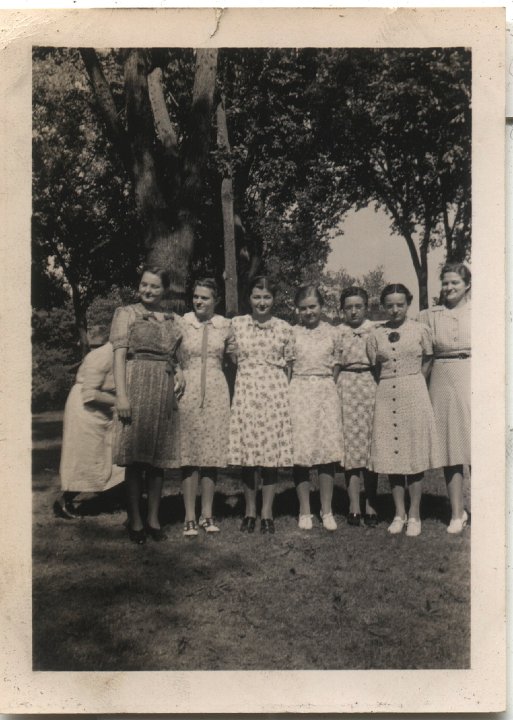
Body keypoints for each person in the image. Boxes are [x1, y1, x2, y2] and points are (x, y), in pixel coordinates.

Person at [110, 266, 184, 544]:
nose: (148, 290)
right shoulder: (125, 314)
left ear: (164, 290)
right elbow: (118, 358)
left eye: (154, 286)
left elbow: (177, 357)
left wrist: (181, 371)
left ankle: (154, 519)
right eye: (144, 284)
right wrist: (122, 396)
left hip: (163, 389)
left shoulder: (172, 319)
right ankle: (136, 521)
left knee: (157, 461)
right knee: (134, 459)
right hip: (135, 383)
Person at [366, 284, 442, 537]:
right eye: (389, 305)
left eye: (400, 304)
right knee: (392, 455)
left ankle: (415, 514)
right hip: (387, 394)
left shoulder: (421, 329)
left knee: (413, 453)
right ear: (383, 307)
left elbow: (428, 359)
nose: (395, 309)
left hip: (413, 391)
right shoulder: (376, 334)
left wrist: (414, 382)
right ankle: (399, 514)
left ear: (408, 304)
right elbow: (375, 366)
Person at [228, 275, 294, 534]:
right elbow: (232, 359)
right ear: (249, 298)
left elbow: (289, 365)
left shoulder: (285, 327)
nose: (262, 302)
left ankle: (267, 511)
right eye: (257, 297)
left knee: (270, 456)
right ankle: (249, 511)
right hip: (246, 392)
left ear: (274, 299)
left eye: (267, 297)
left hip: (274, 394)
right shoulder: (237, 324)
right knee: (249, 456)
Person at [178, 278, 233, 537]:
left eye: (205, 297)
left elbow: (236, 357)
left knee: (211, 455)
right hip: (187, 390)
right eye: (196, 296)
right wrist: (177, 372)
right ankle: (189, 515)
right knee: (189, 456)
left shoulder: (225, 326)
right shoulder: (182, 322)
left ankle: (207, 514)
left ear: (216, 300)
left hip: (216, 390)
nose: (199, 301)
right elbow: (170, 355)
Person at [419, 263, 471, 533]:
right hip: (442, 376)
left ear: (467, 286)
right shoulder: (430, 316)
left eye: (455, 283)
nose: (449, 288)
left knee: (479, 445)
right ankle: (456, 512)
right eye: (446, 283)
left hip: (473, 374)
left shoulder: (479, 312)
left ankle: (487, 510)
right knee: (452, 446)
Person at [54, 326, 125, 519]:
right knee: (86, 458)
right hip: (85, 411)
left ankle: (111, 499)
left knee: (111, 457)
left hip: (104, 409)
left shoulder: (124, 355)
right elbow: (90, 394)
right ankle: (64, 502)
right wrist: (123, 402)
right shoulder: (101, 355)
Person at [289, 286, 343, 531]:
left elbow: (336, 367)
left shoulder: (333, 333)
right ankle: (304, 510)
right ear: (297, 310)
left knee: (326, 453)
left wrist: (324, 387)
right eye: (303, 308)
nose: (308, 312)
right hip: (299, 392)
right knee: (301, 454)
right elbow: (288, 368)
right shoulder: (292, 333)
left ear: (321, 306)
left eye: (313, 306)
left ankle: (327, 509)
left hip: (325, 392)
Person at [335, 287, 379, 527]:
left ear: (366, 307)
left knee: (370, 447)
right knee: (350, 448)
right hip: (347, 387)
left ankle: (371, 502)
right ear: (343, 310)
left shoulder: (374, 331)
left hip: (370, 386)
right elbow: (334, 363)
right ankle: (353, 504)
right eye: (349, 307)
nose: (353, 311)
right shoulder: (338, 332)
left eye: (358, 306)